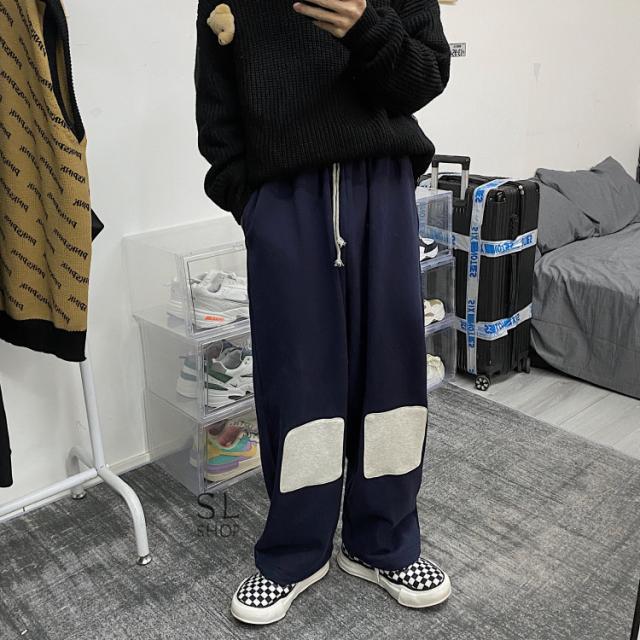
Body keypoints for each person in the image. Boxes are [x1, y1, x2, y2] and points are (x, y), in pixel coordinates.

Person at [195, 0, 451, 625]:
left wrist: (366, 29)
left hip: (383, 184)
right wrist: (250, 203)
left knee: (393, 373)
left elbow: (427, 76)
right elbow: (216, 104)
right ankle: (293, 551)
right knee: (297, 381)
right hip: (283, 198)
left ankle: (383, 542)